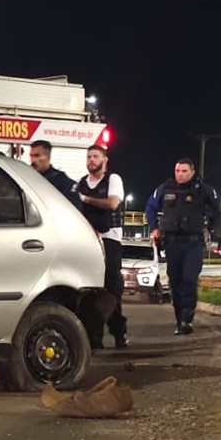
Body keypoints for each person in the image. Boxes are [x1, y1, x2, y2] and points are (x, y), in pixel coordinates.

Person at [145, 158, 221, 336]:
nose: (180, 174)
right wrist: (154, 227)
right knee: (175, 281)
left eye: (184, 171)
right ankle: (180, 319)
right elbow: (151, 207)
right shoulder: (165, 188)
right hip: (172, 242)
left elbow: (217, 210)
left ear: (192, 172)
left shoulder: (204, 190)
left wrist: (211, 228)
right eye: (178, 170)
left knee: (189, 279)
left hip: (193, 242)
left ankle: (188, 316)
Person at [75, 144, 128, 349]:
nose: (91, 160)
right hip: (88, 239)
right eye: (88, 156)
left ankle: (118, 332)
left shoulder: (113, 180)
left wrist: (86, 199)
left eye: (95, 156)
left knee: (111, 287)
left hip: (110, 238)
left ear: (105, 160)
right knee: (90, 288)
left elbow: (113, 204)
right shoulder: (81, 183)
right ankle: (93, 336)